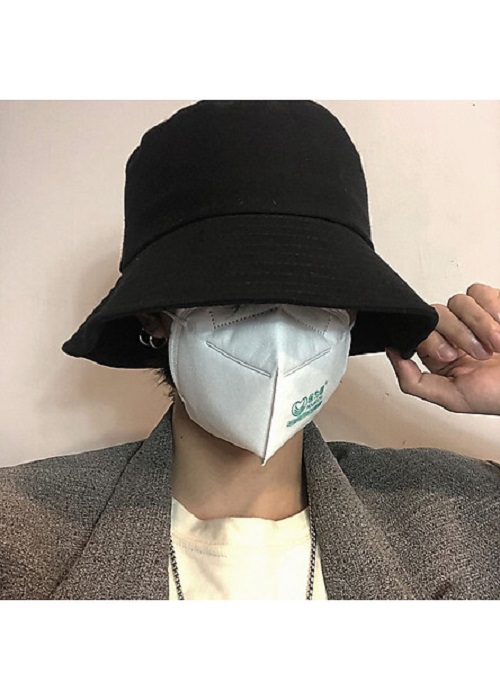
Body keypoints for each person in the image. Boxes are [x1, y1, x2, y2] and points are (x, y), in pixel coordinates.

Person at [1, 100, 499, 600]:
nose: (278, 331)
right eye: (234, 291)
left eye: (315, 291)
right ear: (153, 318)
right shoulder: (21, 524)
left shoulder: (459, 508)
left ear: (352, 313)